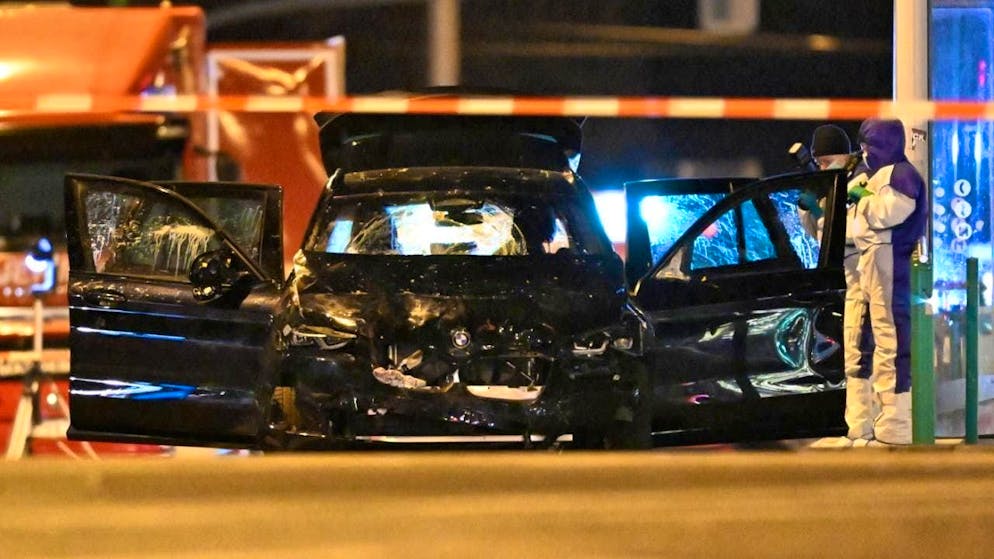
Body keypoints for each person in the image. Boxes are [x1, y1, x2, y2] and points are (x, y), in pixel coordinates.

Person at [846, 118, 927, 446]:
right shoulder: (884, 173)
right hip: (876, 261)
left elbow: (885, 213)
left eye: (868, 145)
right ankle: (882, 417)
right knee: (872, 338)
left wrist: (861, 196)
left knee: (891, 338)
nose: (864, 152)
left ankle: (897, 420)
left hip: (890, 260)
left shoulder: (902, 174)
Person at [804, 125, 878, 448]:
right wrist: (809, 209)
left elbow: (851, 229)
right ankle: (855, 425)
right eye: (818, 163)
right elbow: (820, 237)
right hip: (846, 282)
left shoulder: (861, 183)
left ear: (846, 155)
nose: (823, 167)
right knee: (848, 354)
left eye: (827, 161)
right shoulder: (838, 183)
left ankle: (863, 428)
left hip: (862, 278)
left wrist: (822, 212)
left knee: (859, 353)